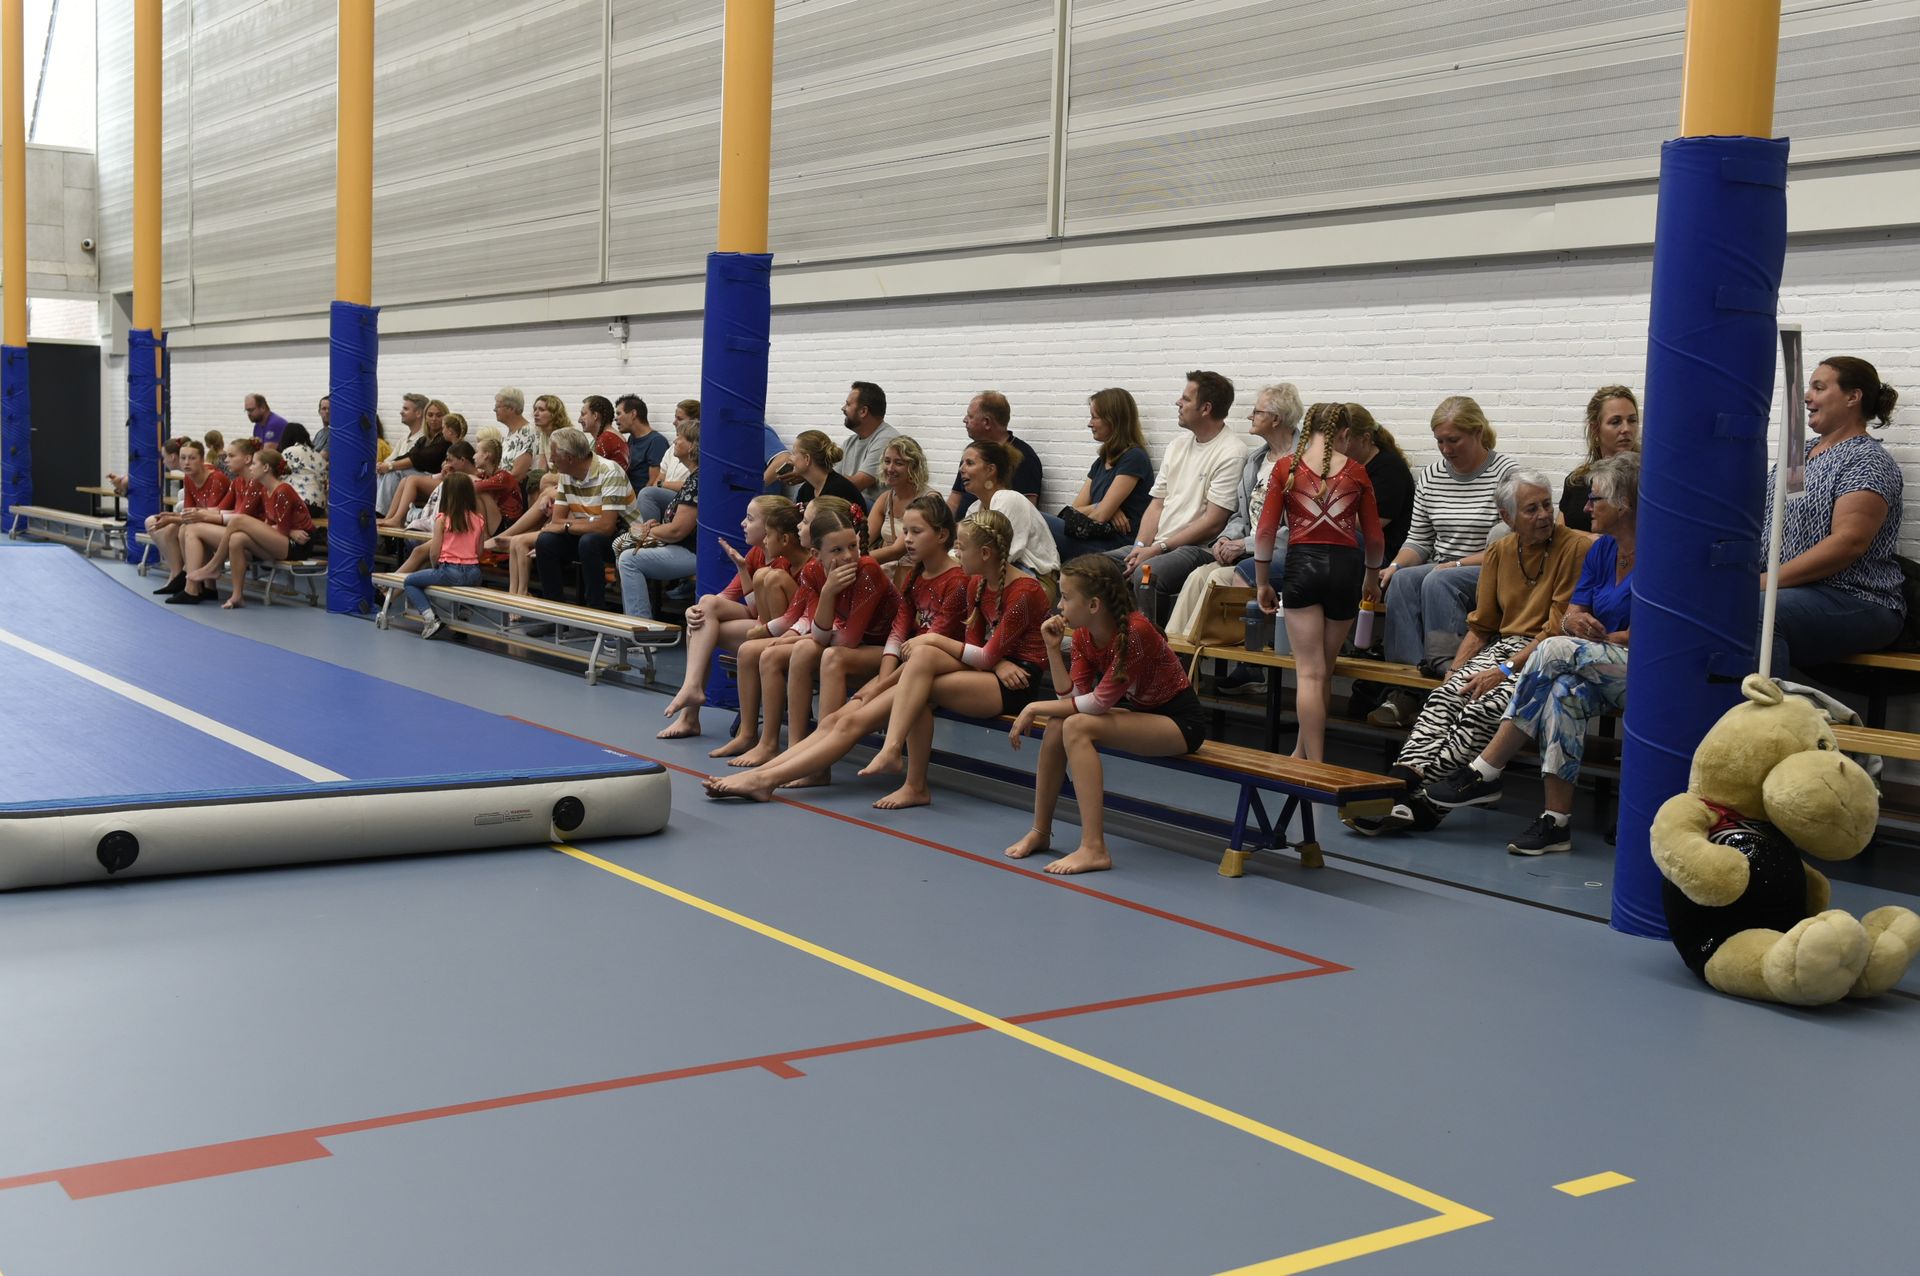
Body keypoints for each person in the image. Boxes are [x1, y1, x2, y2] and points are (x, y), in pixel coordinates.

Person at [707, 506, 1016, 807]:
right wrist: (883, 677)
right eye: (906, 531)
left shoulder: (964, 582)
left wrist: (882, 683)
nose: (906, 539)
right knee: (836, 720)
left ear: (942, 536)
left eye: (915, 532)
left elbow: (938, 647)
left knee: (848, 721)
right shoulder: (921, 576)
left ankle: (766, 780)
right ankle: (762, 775)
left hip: (932, 672)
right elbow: (902, 634)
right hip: (913, 668)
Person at [1352, 471, 1592, 836]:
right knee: (1445, 697)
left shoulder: (1575, 547)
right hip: (1504, 646)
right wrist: (1455, 671)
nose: (1544, 515)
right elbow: (1482, 626)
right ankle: (1399, 784)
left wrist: (1502, 672)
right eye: (1532, 509)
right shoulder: (1499, 551)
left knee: (1483, 708)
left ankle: (1420, 804)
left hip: (1546, 655)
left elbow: (1555, 629)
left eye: (1547, 505)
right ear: (1508, 517)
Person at [1425, 453, 1640, 855]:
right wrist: (1578, 623)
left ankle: (1486, 769)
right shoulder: (1602, 551)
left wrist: (1611, 636)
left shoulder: (1660, 555)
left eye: (1595, 499)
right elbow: (1572, 615)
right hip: (1598, 662)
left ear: (1624, 504)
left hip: (1645, 671)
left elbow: (1662, 631)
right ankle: (1556, 822)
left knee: (1553, 648)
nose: (1586, 507)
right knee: (1562, 694)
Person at [1003, 555, 1208, 874]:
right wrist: (1053, 650)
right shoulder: (1083, 635)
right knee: (1058, 724)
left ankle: (1094, 848)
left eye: (1066, 597)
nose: (1059, 605)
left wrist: (1032, 706)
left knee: (1077, 727)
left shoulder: (1136, 632)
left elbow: (1097, 704)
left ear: (1094, 604)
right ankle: (1040, 831)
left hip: (1181, 724)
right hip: (1144, 715)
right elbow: (1072, 699)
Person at [855, 509, 1052, 808]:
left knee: (921, 685)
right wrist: (996, 662)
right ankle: (900, 763)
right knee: (922, 661)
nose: (956, 553)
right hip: (994, 668)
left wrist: (935, 638)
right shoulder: (977, 583)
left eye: (961, 547)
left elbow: (985, 654)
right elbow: (976, 647)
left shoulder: (1025, 591)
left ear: (985, 553)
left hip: (1017, 681)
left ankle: (904, 768)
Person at [1369, 396, 1519, 724]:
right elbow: (1418, 540)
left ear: (1477, 433)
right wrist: (1394, 566)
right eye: (1439, 441)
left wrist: (1457, 565)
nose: (1446, 449)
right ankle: (1408, 687)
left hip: (1489, 568)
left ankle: (1448, 680)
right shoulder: (1433, 475)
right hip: (1443, 565)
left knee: (1439, 579)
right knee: (1403, 580)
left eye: (1453, 440)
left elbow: (1512, 545)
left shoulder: (1506, 473)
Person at [714, 504, 899, 767]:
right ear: (816, 553)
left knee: (807, 650)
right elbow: (816, 626)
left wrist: (802, 632)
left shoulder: (867, 570)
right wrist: (827, 594)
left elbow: (847, 639)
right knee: (753, 651)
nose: (849, 556)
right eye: (837, 550)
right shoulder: (813, 571)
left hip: (881, 650)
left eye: (852, 546)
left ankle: (808, 755)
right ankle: (762, 740)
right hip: (846, 642)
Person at [1253, 403, 1385, 762]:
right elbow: (1375, 538)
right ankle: (1302, 751)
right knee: (1323, 671)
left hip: (1303, 567)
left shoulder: (1287, 467)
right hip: (1346, 570)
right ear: (1345, 433)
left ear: (1308, 429)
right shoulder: (1356, 471)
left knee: (1309, 674)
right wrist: (1371, 579)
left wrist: (1262, 582)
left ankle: (1316, 764)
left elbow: (1264, 532)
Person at [1763, 355, 1906, 673]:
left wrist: (1767, 583)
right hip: (1795, 592)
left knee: (1759, 611)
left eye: (1819, 387)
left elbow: (1848, 544)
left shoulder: (1867, 460)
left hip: (1858, 598)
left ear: (1853, 397)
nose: (1807, 397)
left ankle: (1768, 707)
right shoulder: (1799, 454)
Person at [659, 495, 807, 741]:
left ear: (771, 527)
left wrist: (743, 571)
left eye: (750, 519)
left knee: (701, 628)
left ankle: (690, 712)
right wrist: (692, 611)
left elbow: (773, 613)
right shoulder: (757, 554)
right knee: (704, 610)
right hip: (761, 621)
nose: (742, 523)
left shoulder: (784, 559)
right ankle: (691, 697)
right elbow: (724, 598)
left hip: (777, 630)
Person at [1112, 371, 1247, 616]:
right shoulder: (1177, 445)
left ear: (1205, 408)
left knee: (1147, 575)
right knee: (1092, 569)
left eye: (1185, 398)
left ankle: (1151, 641)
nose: (1178, 402)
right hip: (1157, 546)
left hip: (1196, 549)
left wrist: (1157, 549)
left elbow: (1213, 523)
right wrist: (1139, 547)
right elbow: (1156, 505)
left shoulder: (1231, 452)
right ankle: (1112, 640)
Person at [177, 447, 317, 609]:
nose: (250, 468)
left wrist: (289, 531)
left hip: (297, 545)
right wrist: (286, 530)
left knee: (238, 521)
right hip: (283, 538)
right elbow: (269, 523)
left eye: (254, 464)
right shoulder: (265, 490)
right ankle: (237, 596)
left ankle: (214, 566)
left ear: (266, 467)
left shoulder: (283, 490)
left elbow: (282, 530)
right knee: (237, 539)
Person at [1044, 387, 1154, 559]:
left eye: (1095, 417)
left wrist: (1103, 510)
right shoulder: (1100, 463)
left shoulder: (1134, 458)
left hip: (1113, 545)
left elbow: (1101, 516)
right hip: (1091, 537)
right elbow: (1073, 511)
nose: (1090, 424)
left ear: (1113, 420)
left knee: (1035, 518)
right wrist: (1099, 506)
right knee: (1031, 520)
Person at [535, 426, 631, 611]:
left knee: (589, 542)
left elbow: (607, 527)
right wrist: (592, 522)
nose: (551, 459)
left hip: (623, 536)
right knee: (545, 541)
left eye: (554, 454)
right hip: (587, 535)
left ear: (570, 458)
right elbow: (556, 521)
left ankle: (595, 611)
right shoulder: (566, 475)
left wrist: (567, 526)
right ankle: (554, 611)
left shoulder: (610, 471)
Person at [616, 418, 701, 621]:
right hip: (683, 543)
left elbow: (677, 531)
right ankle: (633, 622)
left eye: (679, 438)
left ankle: (641, 629)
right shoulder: (694, 478)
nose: (675, 441)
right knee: (648, 495)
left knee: (628, 560)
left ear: (692, 446)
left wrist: (648, 532)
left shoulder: (697, 482)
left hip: (694, 551)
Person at [960, 438, 1059, 591]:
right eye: (962, 463)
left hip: (1036, 579)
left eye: (970, 463)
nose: (962, 469)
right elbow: (964, 549)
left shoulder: (1009, 499)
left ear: (990, 470)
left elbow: (1004, 554)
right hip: (997, 573)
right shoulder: (974, 508)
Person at [404, 472, 485, 640]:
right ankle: (463, 617)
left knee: (410, 581)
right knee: (467, 586)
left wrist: (436, 568)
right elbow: (479, 551)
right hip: (474, 573)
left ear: (447, 495)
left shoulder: (442, 519)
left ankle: (430, 619)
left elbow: (434, 552)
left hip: (449, 570)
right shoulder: (479, 519)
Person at [145, 440, 230, 595]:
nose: (186, 463)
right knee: (158, 525)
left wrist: (173, 518)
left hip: (219, 525)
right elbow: (189, 511)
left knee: (185, 528)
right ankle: (178, 574)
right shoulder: (188, 478)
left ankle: (192, 580)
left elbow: (208, 515)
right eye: (183, 458)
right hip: (200, 521)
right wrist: (172, 516)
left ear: (202, 459)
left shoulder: (217, 479)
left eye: (192, 458)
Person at [949, 391, 1043, 516]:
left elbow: (1025, 511)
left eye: (970, 416)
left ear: (986, 422)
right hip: (968, 523)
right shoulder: (973, 452)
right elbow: (954, 501)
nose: (964, 420)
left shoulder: (1024, 458)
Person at [1561, 386, 1639, 531]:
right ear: (1595, 429)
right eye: (1615, 422)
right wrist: (1589, 539)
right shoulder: (1576, 482)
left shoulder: (1647, 480)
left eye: (1632, 420)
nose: (1626, 429)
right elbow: (1560, 533)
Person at [377, 408, 465, 527]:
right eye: (430, 415)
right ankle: (389, 517)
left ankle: (398, 519)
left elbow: (460, 470)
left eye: (443, 428)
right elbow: (413, 456)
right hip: (443, 479)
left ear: (450, 431)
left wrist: (438, 474)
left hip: (452, 484)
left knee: (412, 479)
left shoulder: (459, 448)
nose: (442, 431)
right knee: (404, 481)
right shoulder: (449, 447)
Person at [866, 436, 938, 574]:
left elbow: (897, 551)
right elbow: (863, 539)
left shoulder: (929, 500)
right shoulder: (885, 498)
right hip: (887, 571)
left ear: (914, 467)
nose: (890, 468)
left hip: (916, 575)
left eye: (898, 463)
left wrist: (854, 559)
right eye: (887, 461)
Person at [770, 429, 865, 511]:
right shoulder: (806, 489)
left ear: (807, 459)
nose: (790, 459)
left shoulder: (838, 490)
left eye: (794, 453)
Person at [836, 381, 899, 504]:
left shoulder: (887, 441)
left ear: (863, 411)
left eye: (848, 404)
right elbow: (831, 478)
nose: (843, 408)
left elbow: (854, 486)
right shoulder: (850, 442)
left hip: (874, 509)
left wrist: (811, 471)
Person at [617, 394, 670, 491]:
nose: (616, 418)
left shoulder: (656, 441)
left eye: (619, 413)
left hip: (641, 497)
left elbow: (654, 483)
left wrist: (637, 500)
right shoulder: (632, 438)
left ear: (633, 414)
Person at [496, 387, 543, 482]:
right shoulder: (510, 434)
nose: (494, 410)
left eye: (498, 407)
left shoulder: (528, 433)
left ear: (511, 408)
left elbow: (517, 475)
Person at [279, 422, 326, 512]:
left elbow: (279, 475)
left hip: (299, 502)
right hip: (319, 506)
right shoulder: (318, 455)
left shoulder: (289, 452)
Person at [581, 395, 629, 470]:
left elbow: (596, 473)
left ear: (595, 415)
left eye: (583, 414)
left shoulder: (606, 439)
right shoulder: (608, 436)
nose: (579, 420)